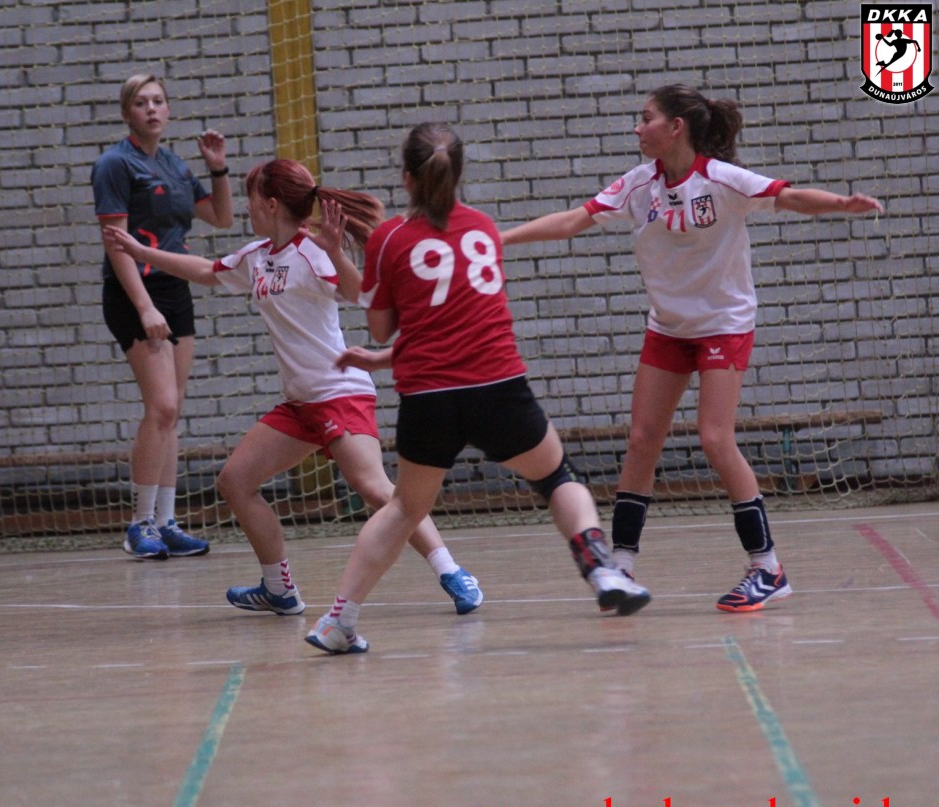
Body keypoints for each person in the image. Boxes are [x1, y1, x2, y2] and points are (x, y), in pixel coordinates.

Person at [499, 84, 883, 613]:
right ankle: (622, 565)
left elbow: (788, 196)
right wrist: (500, 239)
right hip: (669, 328)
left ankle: (767, 568)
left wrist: (841, 203)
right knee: (642, 440)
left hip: (724, 325)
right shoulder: (639, 185)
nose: (638, 128)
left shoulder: (722, 180)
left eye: (646, 118)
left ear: (676, 126)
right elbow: (571, 221)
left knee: (715, 438)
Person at [304, 123, 651, 655]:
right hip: (497, 386)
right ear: (459, 173)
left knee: (404, 509)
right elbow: (461, 321)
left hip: (429, 397)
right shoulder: (484, 229)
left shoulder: (390, 239)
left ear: (407, 178)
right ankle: (601, 568)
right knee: (556, 477)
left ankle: (338, 621)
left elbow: (385, 328)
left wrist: (355, 275)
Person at [102, 159, 485, 616]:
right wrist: (140, 252)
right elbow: (206, 270)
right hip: (300, 404)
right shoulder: (257, 256)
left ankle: (452, 572)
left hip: (339, 393)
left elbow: (359, 294)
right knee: (235, 481)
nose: (245, 208)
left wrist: (337, 253)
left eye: (249, 199)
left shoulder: (312, 252)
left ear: (270, 204)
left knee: (376, 489)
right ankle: (278, 589)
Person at [91, 73, 235, 560]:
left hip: (175, 289)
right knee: (162, 407)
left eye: (158, 101)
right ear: (126, 113)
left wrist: (218, 169)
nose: (151, 109)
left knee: (173, 411)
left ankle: (167, 521)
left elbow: (221, 218)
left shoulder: (174, 164)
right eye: (141, 102)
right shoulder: (114, 164)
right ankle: (139, 524)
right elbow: (117, 244)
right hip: (135, 291)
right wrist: (144, 306)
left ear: (169, 109)